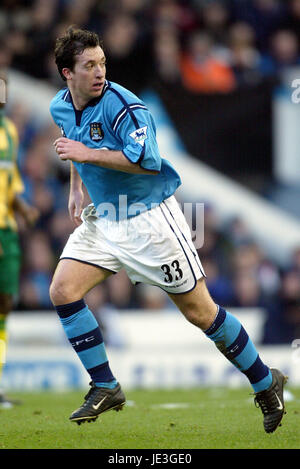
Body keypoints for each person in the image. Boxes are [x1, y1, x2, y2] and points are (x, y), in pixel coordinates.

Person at [49, 26, 287, 433]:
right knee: (62, 291)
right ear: (67, 75)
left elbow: (148, 161)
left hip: (150, 221)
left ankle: (266, 384)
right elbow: (74, 141)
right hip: (105, 219)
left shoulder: (126, 107)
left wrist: (86, 154)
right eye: (89, 65)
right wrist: (77, 185)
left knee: (201, 313)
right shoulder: (59, 106)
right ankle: (105, 385)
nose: (100, 71)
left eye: (102, 62)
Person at [0, 73, 39, 407]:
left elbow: (9, 180)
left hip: (7, 229)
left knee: (4, 306)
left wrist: (23, 208)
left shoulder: (9, 130)